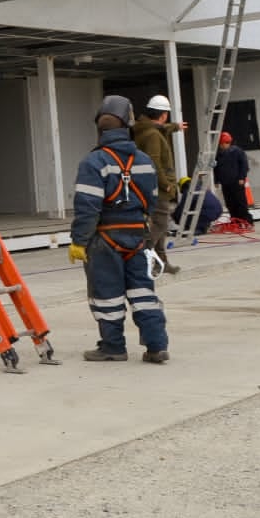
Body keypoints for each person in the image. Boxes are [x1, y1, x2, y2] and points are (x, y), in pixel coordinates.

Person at [67, 95, 169, 364]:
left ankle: (113, 347)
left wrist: (79, 241)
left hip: (104, 239)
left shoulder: (94, 162)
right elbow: (153, 200)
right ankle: (157, 346)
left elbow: (87, 207)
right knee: (143, 293)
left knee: (107, 295)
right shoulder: (145, 161)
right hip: (137, 236)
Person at [131, 94, 185, 275]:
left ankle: (161, 262)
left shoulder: (146, 129)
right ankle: (139, 256)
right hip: (158, 188)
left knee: (161, 226)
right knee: (161, 224)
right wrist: (166, 185)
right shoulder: (153, 135)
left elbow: (162, 129)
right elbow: (155, 162)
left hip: (150, 186)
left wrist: (175, 127)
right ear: (163, 115)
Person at [214, 132, 252, 225]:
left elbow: (244, 165)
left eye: (222, 144)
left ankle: (246, 221)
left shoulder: (237, 151)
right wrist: (217, 180)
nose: (221, 146)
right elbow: (217, 168)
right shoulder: (219, 154)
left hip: (236, 182)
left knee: (240, 202)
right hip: (225, 183)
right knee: (230, 203)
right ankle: (235, 221)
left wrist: (242, 177)